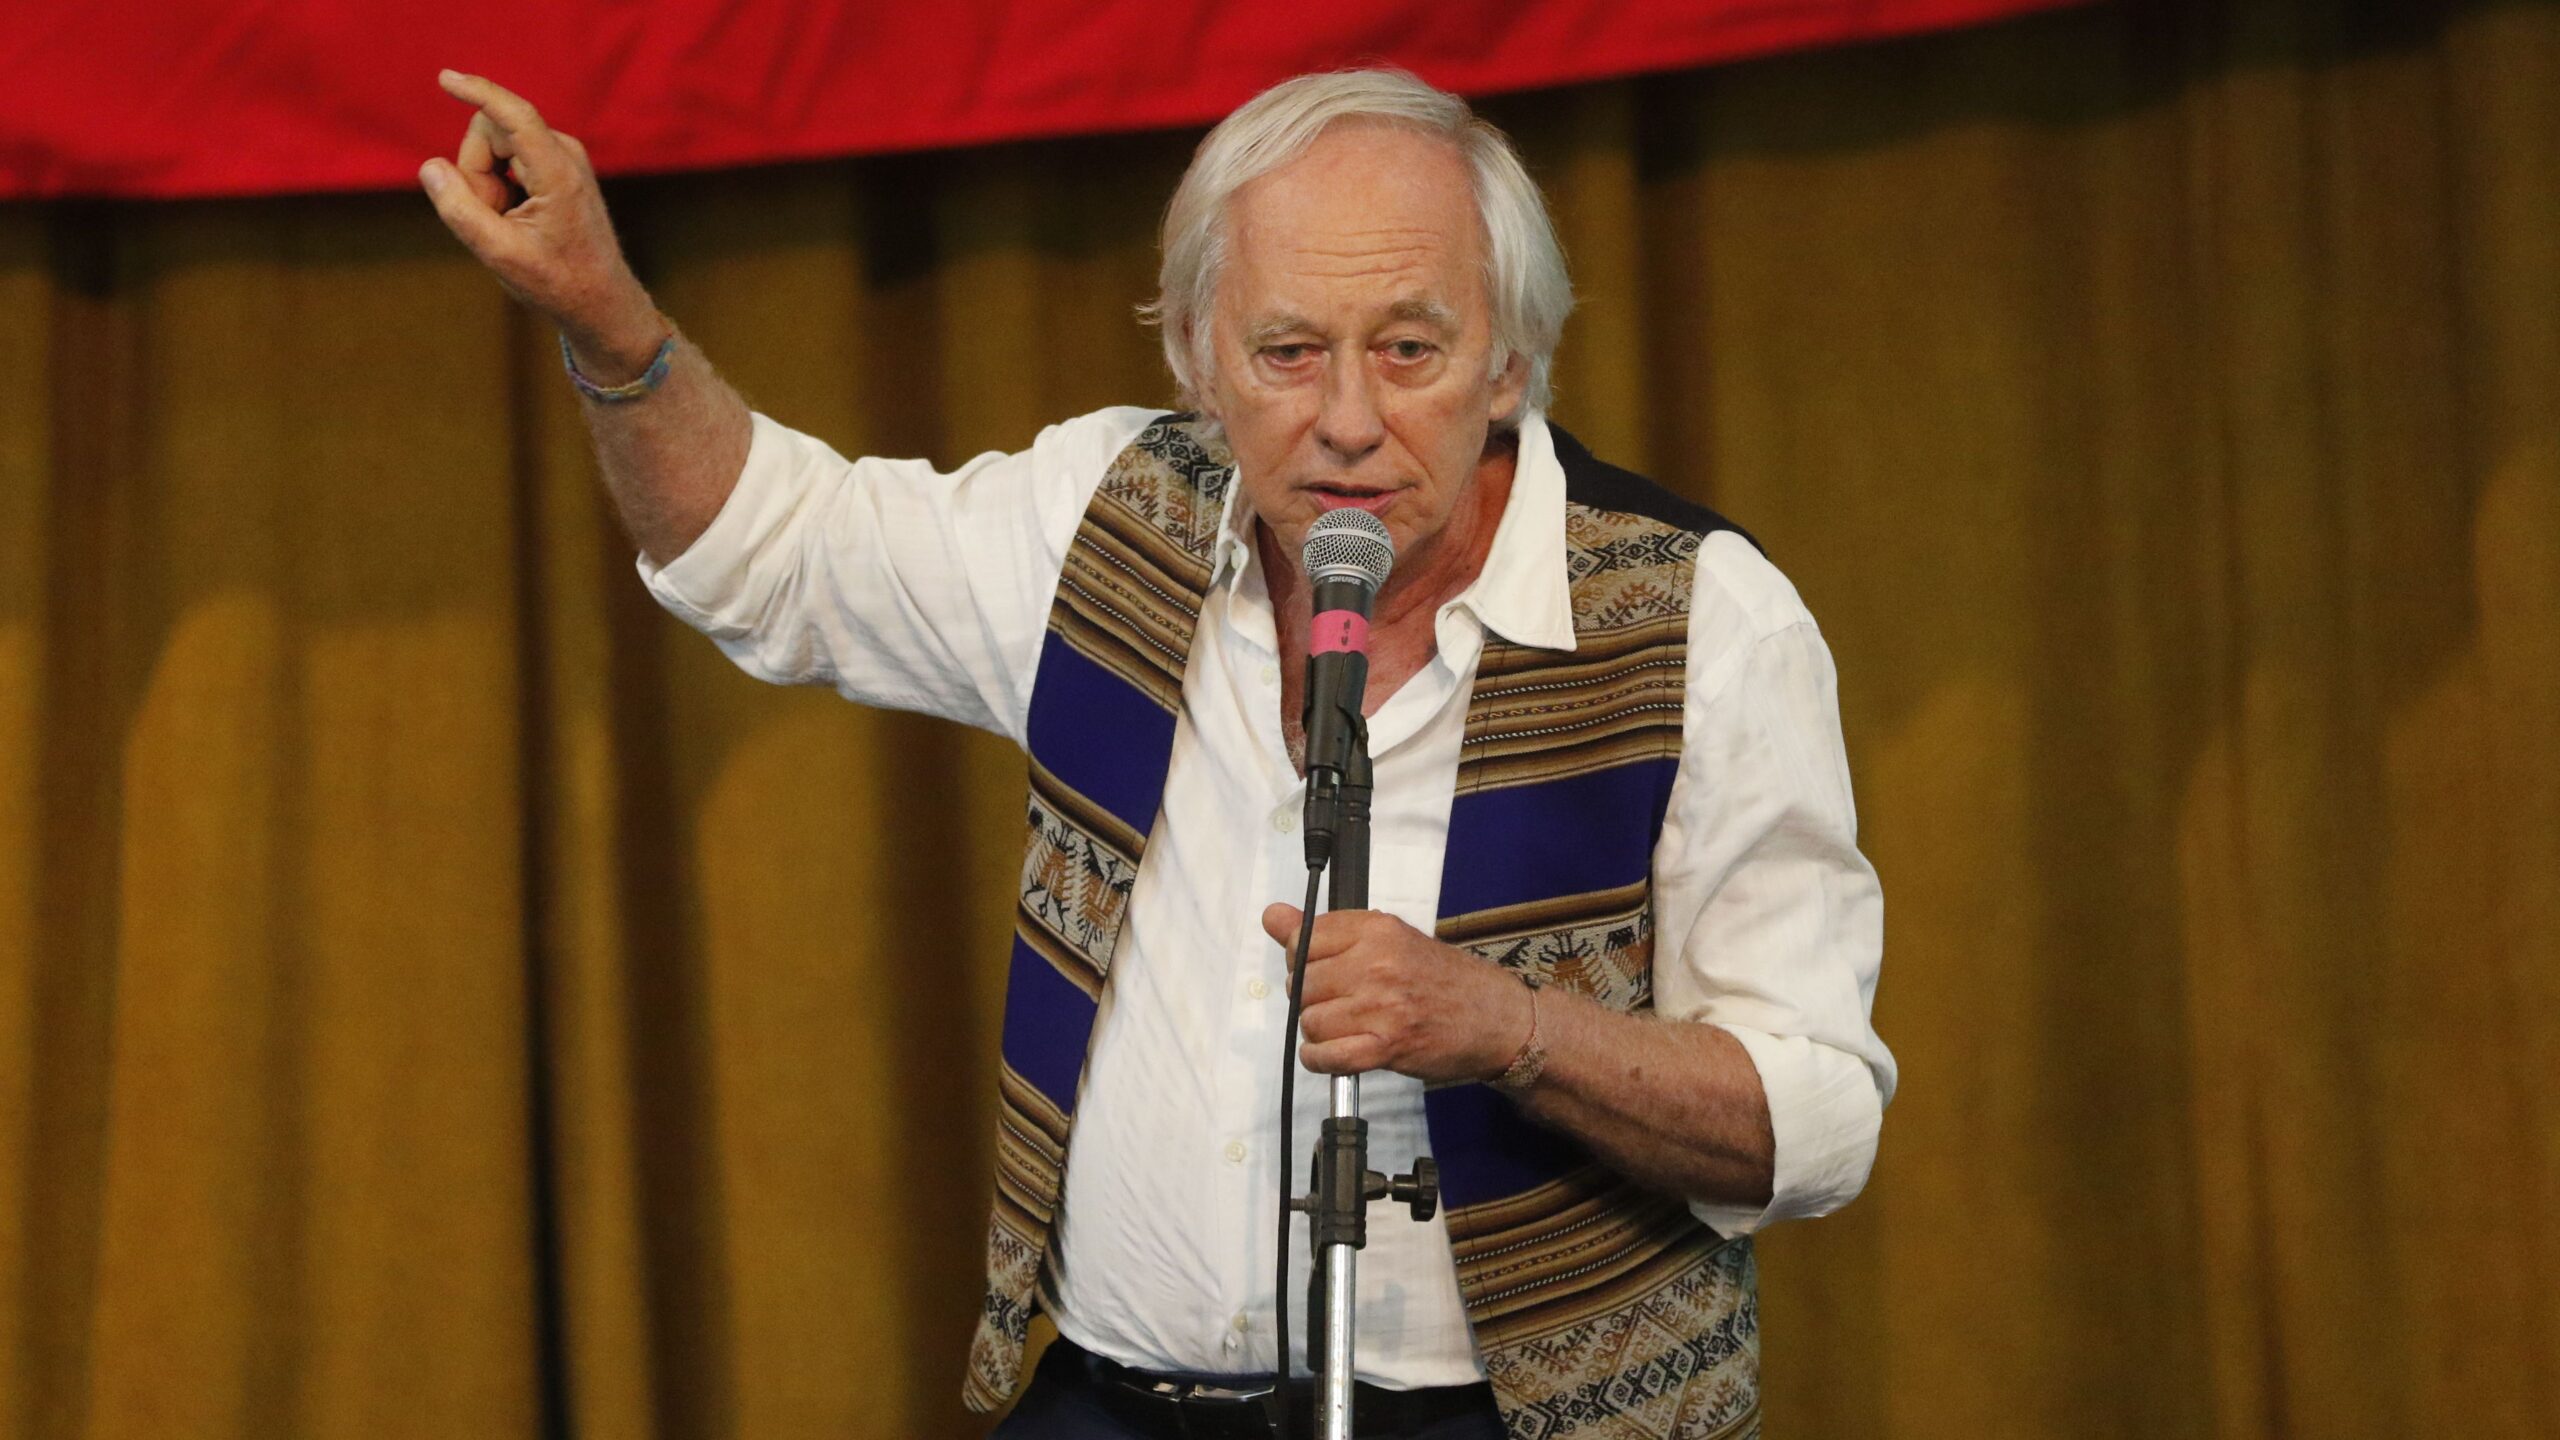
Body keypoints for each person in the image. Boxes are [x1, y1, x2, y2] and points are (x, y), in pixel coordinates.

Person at [422, 65, 1892, 1440]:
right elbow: (775, 553)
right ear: (1197, 356)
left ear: (1509, 363)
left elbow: (1817, 1118)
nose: (1350, 423)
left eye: (1410, 350)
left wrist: (1513, 1031)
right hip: (1114, 1401)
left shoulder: (1700, 618)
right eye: (1288, 353)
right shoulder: (1111, 520)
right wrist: (602, 316)